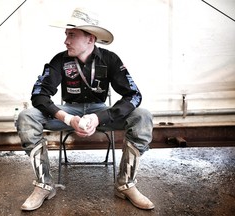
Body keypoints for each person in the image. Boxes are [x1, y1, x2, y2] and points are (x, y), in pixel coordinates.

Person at [17, 7, 155, 211]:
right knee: (26, 116)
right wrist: (66, 118)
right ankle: (44, 185)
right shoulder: (59, 60)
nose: (66, 41)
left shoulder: (110, 59)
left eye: (71, 35)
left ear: (90, 38)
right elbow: (39, 95)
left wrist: (101, 116)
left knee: (142, 115)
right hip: (68, 110)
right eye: (66, 35)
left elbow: (134, 95)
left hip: (100, 111)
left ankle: (126, 184)